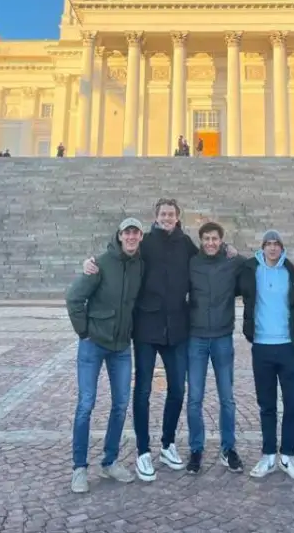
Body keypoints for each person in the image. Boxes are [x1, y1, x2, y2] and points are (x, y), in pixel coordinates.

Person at [83, 198, 196, 482]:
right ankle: (143, 450)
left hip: (177, 329)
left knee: (177, 390)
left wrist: (230, 252)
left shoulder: (186, 243)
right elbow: (119, 254)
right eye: (162, 214)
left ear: (177, 217)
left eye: (171, 214)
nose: (167, 218)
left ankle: (168, 443)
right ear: (155, 217)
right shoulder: (143, 242)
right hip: (146, 327)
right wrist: (91, 262)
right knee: (143, 390)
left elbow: (208, 258)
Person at [65, 218, 145, 493]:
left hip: (121, 346)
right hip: (94, 343)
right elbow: (74, 297)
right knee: (86, 404)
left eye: (136, 232)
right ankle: (79, 468)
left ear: (140, 237)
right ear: (120, 236)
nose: (131, 237)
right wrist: (83, 331)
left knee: (121, 404)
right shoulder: (100, 263)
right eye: (127, 232)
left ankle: (110, 461)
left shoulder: (140, 264)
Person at [239, 230, 294, 481]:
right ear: (262, 247)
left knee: (292, 405)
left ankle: (287, 455)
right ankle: (268, 454)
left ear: (282, 247)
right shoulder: (250, 269)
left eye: (277, 244)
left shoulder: (293, 270)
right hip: (262, 346)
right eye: (268, 244)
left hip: (288, 346)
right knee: (266, 405)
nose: (272, 248)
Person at [186, 221, 245, 475]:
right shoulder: (191, 263)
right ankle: (196, 449)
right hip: (196, 337)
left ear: (222, 240)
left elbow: (259, 264)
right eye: (207, 239)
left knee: (227, 398)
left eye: (215, 239)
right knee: (194, 399)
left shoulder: (232, 262)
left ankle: (228, 448)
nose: (211, 243)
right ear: (201, 241)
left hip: (222, 337)